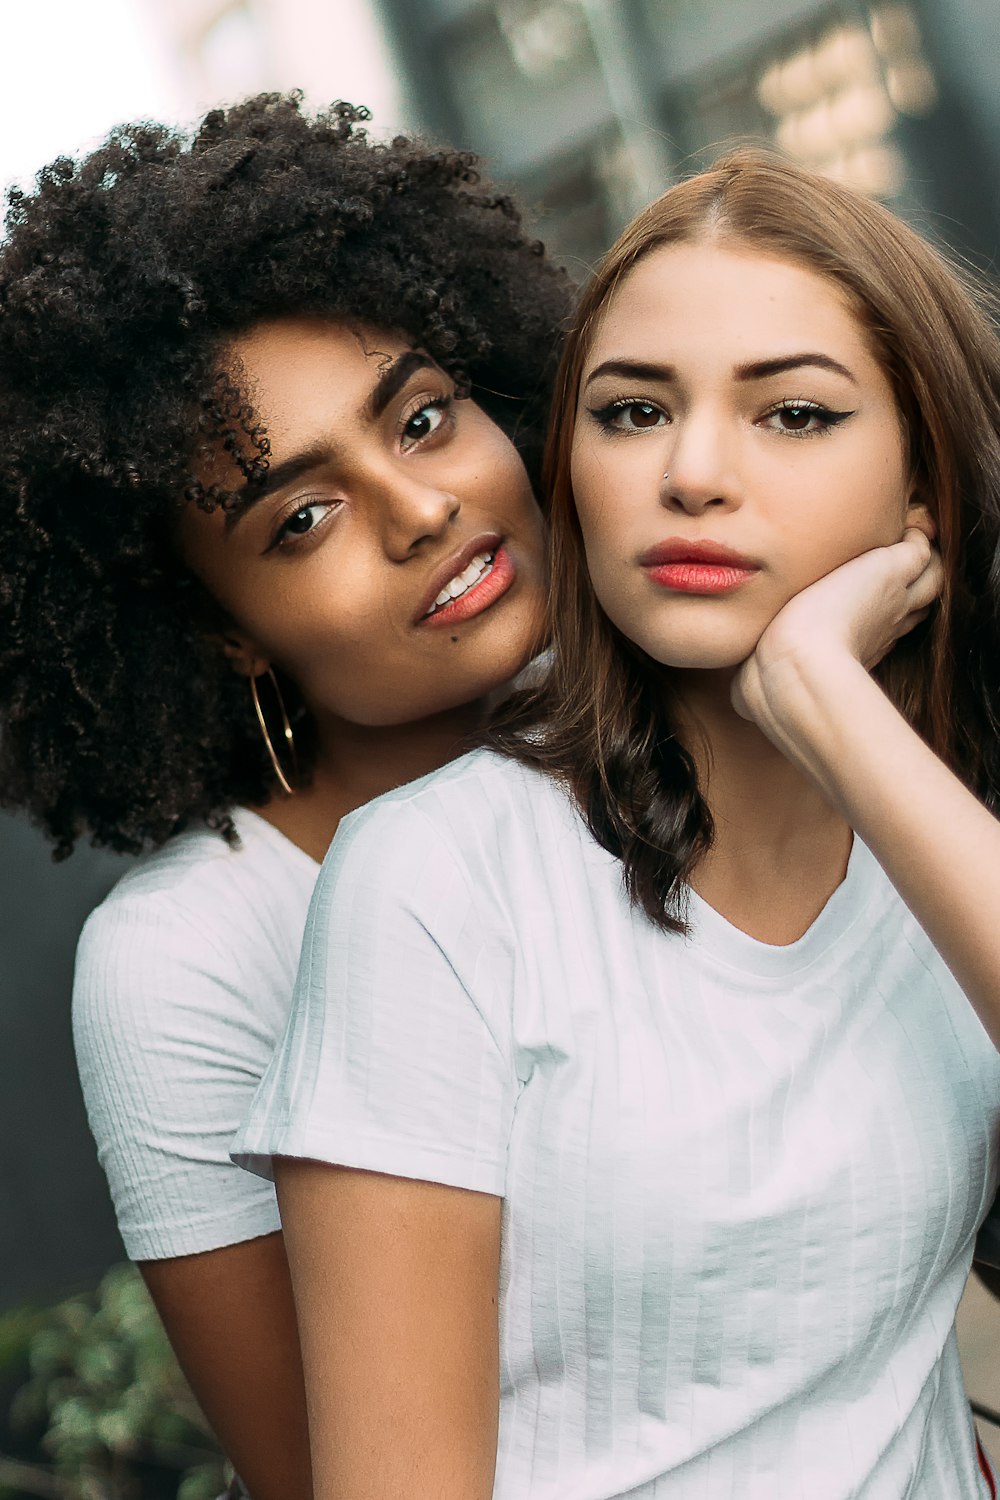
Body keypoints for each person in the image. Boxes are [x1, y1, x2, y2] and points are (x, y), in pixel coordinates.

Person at [234, 147, 1000, 1499]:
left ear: (923, 497)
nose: (692, 473)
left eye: (796, 415)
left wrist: (832, 702)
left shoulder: (943, 831)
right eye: (634, 412)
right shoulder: (434, 882)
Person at [0, 94, 571, 1500]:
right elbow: (322, 1474)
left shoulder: (697, 733)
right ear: (221, 628)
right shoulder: (190, 965)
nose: (421, 507)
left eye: (424, 418)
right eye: (300, 518)